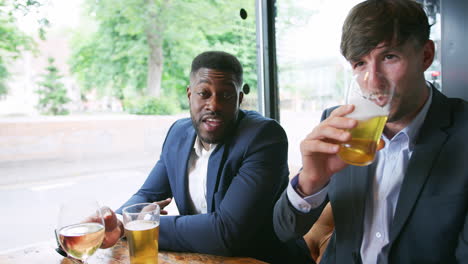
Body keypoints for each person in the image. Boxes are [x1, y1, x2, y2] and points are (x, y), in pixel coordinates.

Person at [273, 0, 468, 263]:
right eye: (359, 64)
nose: (373, 82)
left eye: (389, 57)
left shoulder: (462, 130)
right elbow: (285, 230)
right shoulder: (339, 122)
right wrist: (311, 180)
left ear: (425, 55)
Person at [100, 51, 311, 263]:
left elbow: (226, 232)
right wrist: (116, 221)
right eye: (204, 93)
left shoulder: (263, 137)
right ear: (190, 95)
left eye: (226, 95)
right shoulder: (178, 134)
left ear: (239, 99)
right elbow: (148, 193)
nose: (214, 105)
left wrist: (142, 224)